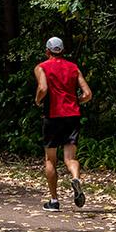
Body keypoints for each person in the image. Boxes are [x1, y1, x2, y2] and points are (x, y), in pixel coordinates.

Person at [34, 36, 92, 211]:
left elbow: (43, 88)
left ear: (47, 51)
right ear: (63, 51)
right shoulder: (73, 68)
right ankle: (75, 178)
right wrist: (76, 101)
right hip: (72, 116)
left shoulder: (41, 67)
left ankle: (54, 201)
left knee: (50, 159)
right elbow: (88, 93)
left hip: (52, 116)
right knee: (70, 158)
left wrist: (38, 100)